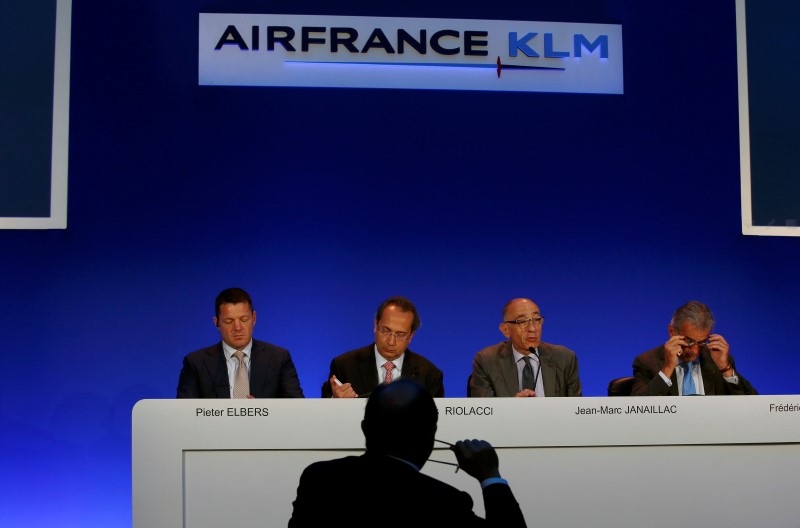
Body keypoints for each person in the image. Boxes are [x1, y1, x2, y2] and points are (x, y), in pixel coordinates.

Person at [289, 378, 527, 527]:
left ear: (365, 429)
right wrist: (491, 477)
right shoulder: (444, 505)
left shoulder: (319, 479)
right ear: (430, 438)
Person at [176, 287, 304, 398]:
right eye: (229, 321)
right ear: (216, 323)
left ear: (254, 318)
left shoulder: (279, 358)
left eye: (244, 319)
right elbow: (185, 413)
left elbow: (296, 408)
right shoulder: (196, 363)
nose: (237, 327)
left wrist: (264, 411)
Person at [322, 296, 444, 398]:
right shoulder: (344, 366)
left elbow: (437, 423)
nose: (391, 342)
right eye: (385, 331)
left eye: (400, 335)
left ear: (411, 336)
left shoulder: (430, 374)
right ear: (376, 325)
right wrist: (336, 403)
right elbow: (322, 417)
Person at [631, 300, 757, 396]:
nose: (695, 351)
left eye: (702, 342)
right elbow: (637, 410)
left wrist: (726, 369)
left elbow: (754, 405)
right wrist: (668, 369)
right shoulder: (647, 362)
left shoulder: (718, 360)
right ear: (672, 331)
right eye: (689, 341)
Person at [469, 297, 582, 397]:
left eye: (537, 320)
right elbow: (483, 414)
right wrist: (512, 409)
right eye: (522, 321)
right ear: (505, 330)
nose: (532, 329)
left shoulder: (564, 358)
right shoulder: (487, 361)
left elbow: (576, 411)